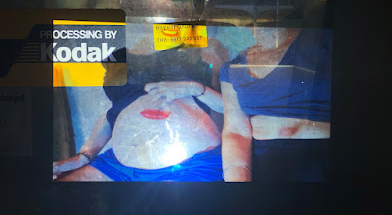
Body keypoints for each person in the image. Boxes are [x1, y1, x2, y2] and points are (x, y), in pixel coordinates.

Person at [53, 36, 228, 181]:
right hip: (120, 168)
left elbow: (232, 109)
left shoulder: (189, 46)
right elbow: (112, 113)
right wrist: (85, 155)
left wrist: (194, 88)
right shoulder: (121, 56)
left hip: (190, 166)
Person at [220, 27, 332, 182]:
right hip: (264, 164)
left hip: (323, 156)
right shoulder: (231, 68)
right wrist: (238, 186)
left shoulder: (323, 39)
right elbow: (235, 131)